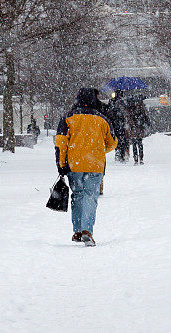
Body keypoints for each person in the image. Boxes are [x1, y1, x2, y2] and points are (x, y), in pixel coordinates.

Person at [55, 88, 117, 246]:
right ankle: (87, 230)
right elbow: (112, 142)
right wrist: (98, 149)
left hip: (74, 165)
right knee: (90, 196)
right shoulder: (102, 119)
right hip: (95, 164)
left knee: (77, 196)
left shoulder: (68, 118)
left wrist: (61, 164)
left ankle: (77, 231)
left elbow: (61, 143)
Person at [126, 95, 151, 165]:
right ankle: (141, 158)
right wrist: (146, 123)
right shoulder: (142, 108)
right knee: (139, 143)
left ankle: (136, 159)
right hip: (139, 127)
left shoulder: (130, 108)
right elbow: (145, 117)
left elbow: (129, 118)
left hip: (133, 128)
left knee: (134, 143)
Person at [108, 92, 130, 162]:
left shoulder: (120, 102)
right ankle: (120, 153)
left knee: (120, 139)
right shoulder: (121, 102)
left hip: (118, 123)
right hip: (118, 123)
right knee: (121, 139)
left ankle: (120, 153)